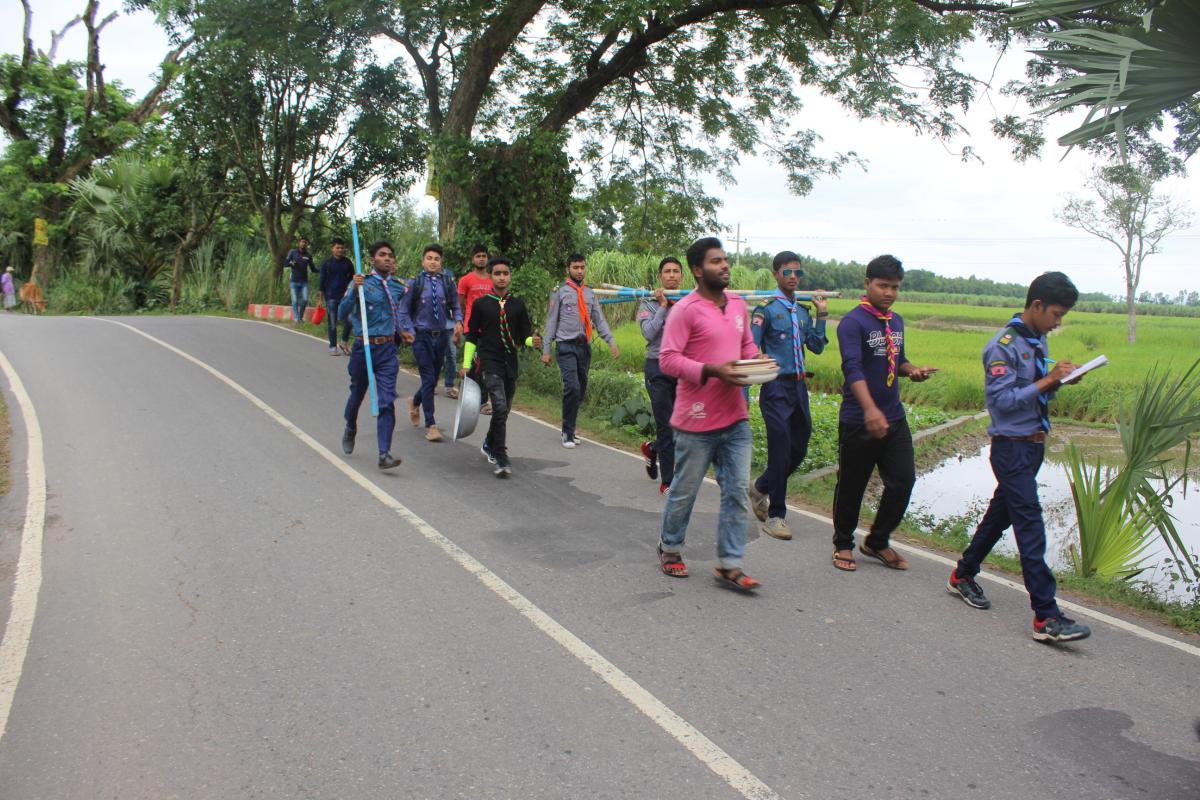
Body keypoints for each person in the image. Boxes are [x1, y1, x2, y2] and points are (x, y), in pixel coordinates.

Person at [947, 272, 1092, 643]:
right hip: (1011, 447)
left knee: (1001, 515)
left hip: (1033, 445)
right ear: (1037, 306)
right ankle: (1046, 616)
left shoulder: (1036, 340)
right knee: (1030, 526)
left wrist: (1058, 380)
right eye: (1056, 314)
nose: (1058, 322)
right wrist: (1048, 381)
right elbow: (1002, 402)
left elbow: (1036, 390)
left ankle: (963, 573)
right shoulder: (1004, 345)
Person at [656, 237, 762, 592]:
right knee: (684, 491)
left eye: (726, 260)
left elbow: (746, 345)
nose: (725, 266)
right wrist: (714, 370)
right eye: (716, 261)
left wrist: (755, 360)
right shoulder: (685, 310)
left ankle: (730, 565)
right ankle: (670, 547)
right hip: (696, 421)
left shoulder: (737, 304)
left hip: (736, 417)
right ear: (698, 270)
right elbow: (668, 359)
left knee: (735, 492)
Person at [831, 255, 937, 573]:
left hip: (893, 416)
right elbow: (852, 368)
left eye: (895, 287)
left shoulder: (896, 321)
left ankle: (877, 541)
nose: (889, 293)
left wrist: (912, 370)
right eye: (883, 286)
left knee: (903, 481)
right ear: (867, 284)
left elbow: (898, 360)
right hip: (859, 418)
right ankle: (843, 544)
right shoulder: (853, 323)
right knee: (852, 484)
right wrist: (869, 410)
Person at [747, 252, 829, 540]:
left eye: (797, 273)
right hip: (775, 387)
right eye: (787, 272)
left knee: (800, 448)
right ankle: (776, 515)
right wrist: (758, 359)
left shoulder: (803, 311)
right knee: (780, 450)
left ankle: (760, 487)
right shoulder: (766, 310)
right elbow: (752, 346)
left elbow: (817, 347)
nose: (793, 277)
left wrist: (821, 315)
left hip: (798, 387)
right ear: (776, 275)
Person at [460, 256, 542, 477]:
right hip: (489, 361)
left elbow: (523, 336)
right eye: (497, 273)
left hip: (510, 362)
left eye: (505, 273)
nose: (502, 277)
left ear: (510, 276)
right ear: (491, 276)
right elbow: (471, 336)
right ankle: (501, 455)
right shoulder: (481, 305)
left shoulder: (517, 305)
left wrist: (531, 342)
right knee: (499, 405)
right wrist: (466, 364)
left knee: (503, 411)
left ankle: (489, 442)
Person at [338, 241, 407, 471]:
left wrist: (408, 331)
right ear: (372, 260)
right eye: (382, 255)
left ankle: (384, 453)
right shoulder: (361, 283)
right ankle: (350, 425)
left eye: (390, 255)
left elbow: (406, 312)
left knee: (387, 401)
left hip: (387, 350)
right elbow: (341, 313)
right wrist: (353, 293)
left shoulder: (398, 286)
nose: (387, 258)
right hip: (363, 347)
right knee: (357, 394)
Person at [541, 253, 619, 448]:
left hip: (584, 347)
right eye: (575, 267)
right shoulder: (559, 291)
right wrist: (546, 349)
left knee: (581, 389)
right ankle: (567, 432)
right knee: (572, 387)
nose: (579, 271)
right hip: (565, 346)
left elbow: (599, 319)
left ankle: (571, 428)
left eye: (582, 267)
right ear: (569, 268)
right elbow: (551, 321)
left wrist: (611, 341)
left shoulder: (590, 293)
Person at [399, 244, 462, 442]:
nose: (433, 262)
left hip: (441, 335)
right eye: (429, 258)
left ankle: (415, 401)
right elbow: (403, 310)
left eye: (436, 258)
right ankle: (431, 425)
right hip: (421, 336)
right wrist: (408, 330)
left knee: (433, 379)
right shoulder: (415, 283)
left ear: (441, 262)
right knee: (428, 378)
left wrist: (459, 321)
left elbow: (455, 305)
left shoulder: (447, 282)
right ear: (423, 261)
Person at [638, 256, 684, 494]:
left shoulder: (688, 302)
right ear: (660, 276)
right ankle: (668, 481)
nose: (672, 275)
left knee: (682, 426)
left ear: (682, 276)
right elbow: (648, 333)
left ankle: (655, 449)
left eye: (676, 271)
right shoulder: (648, 304)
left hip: (682, 368)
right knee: (667, 425)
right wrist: (664, 306)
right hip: (657, 367)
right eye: (667, 271)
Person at [458, 244, 494, 411]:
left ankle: (482, 401)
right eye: (478, 256)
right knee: (474, 363)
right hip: (472, 328)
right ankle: (469, 390)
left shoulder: (492, 279)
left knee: (485, 363)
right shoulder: (466, 280)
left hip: (489, 329)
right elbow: (462, 303)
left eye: (484, 256)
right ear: (473, 259)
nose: (481, 258)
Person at [318, 238, 355, 355]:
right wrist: (320, 299)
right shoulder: (326, 263)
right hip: (331, 297)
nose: (340, 250)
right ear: (332, 248)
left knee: (350, 320)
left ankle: (344, 342)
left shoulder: (348, 263)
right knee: (332, 323)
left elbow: (353, 280)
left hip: (346, 297)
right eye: (337, 247)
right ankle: (332, 347)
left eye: (342, 248)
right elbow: (322, 282)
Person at [284, 237, 317, 323]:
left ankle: (300, 317)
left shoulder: (308, 255)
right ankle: (296, 319)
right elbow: (285, 263)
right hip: (294, 281)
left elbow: (313, 269)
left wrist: (323, 270)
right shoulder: (292, 252)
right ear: (299, 243)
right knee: (294, 300)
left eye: (305, 242)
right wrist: (291, 263)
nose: (303, 243)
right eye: (302, 242)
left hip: (304, 282)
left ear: (307, 244)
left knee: (305, 300)